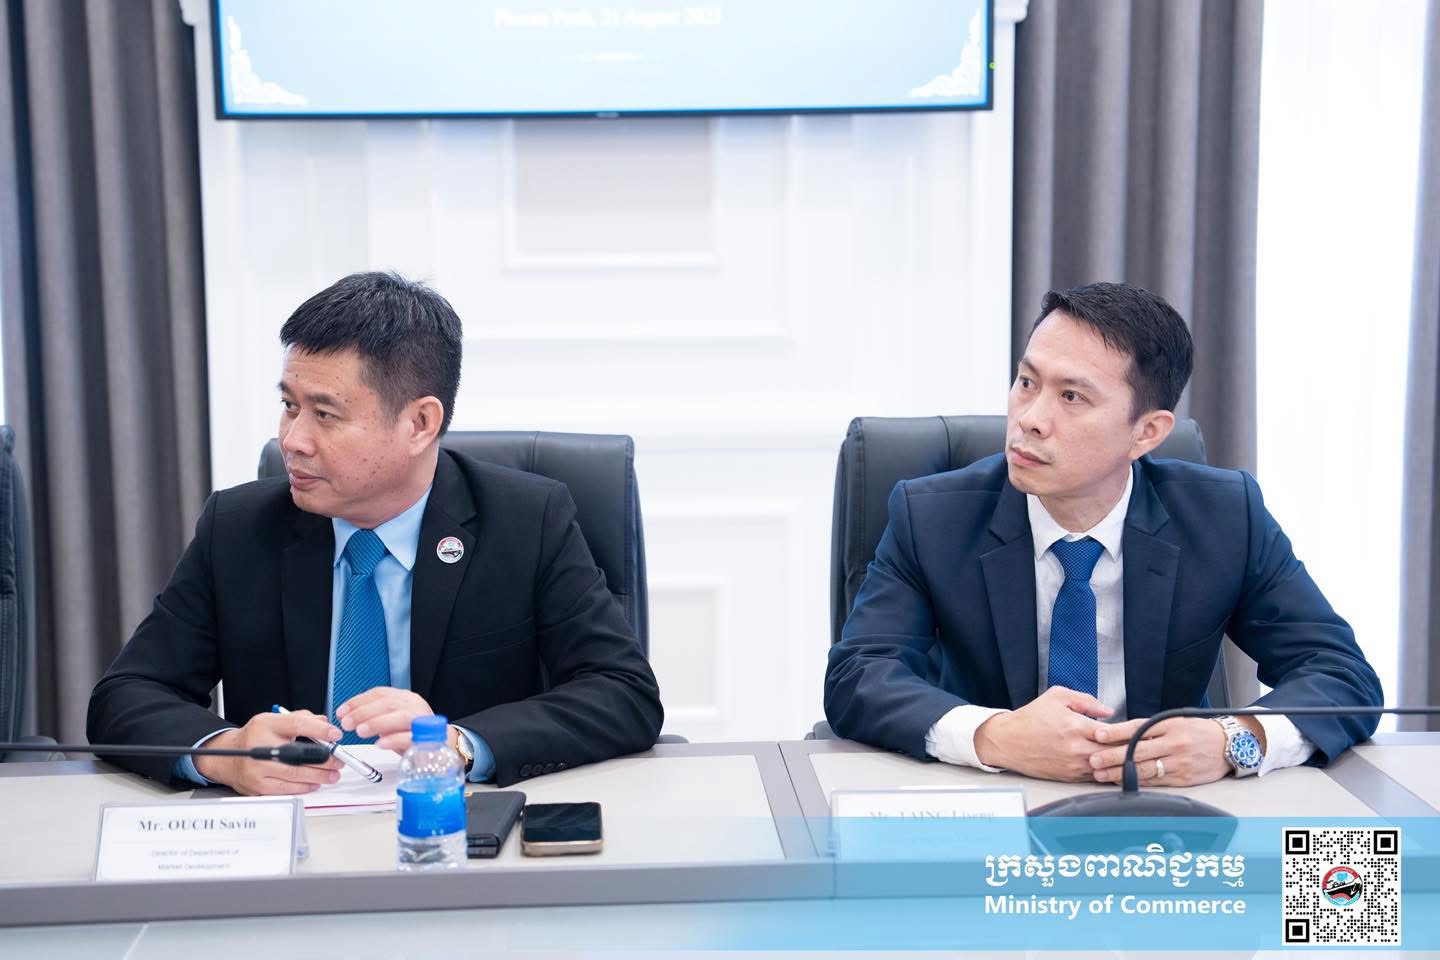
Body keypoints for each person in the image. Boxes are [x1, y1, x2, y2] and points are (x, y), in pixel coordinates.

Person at [88, 271, 663, 793]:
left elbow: (622, 691)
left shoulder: (525, 521)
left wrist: (458, 743)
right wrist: (225, 751)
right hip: (291, 837)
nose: (293, 440)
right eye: (289, 406)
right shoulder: (238, 528)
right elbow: (126, 695)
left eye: (325, 414)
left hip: (454, 832)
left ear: (420, 423)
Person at [824, 281, 1381, 785]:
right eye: (1026, 382)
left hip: (1166, 816)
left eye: (1072, 397)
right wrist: (994, 735)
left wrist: (1236, 741)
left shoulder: (1225, 516)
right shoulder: (932, 518)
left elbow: (1340, 673)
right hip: (990, 806)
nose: (1029, 418)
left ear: (1147, 432)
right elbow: (859, 676)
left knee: (1345, 867)